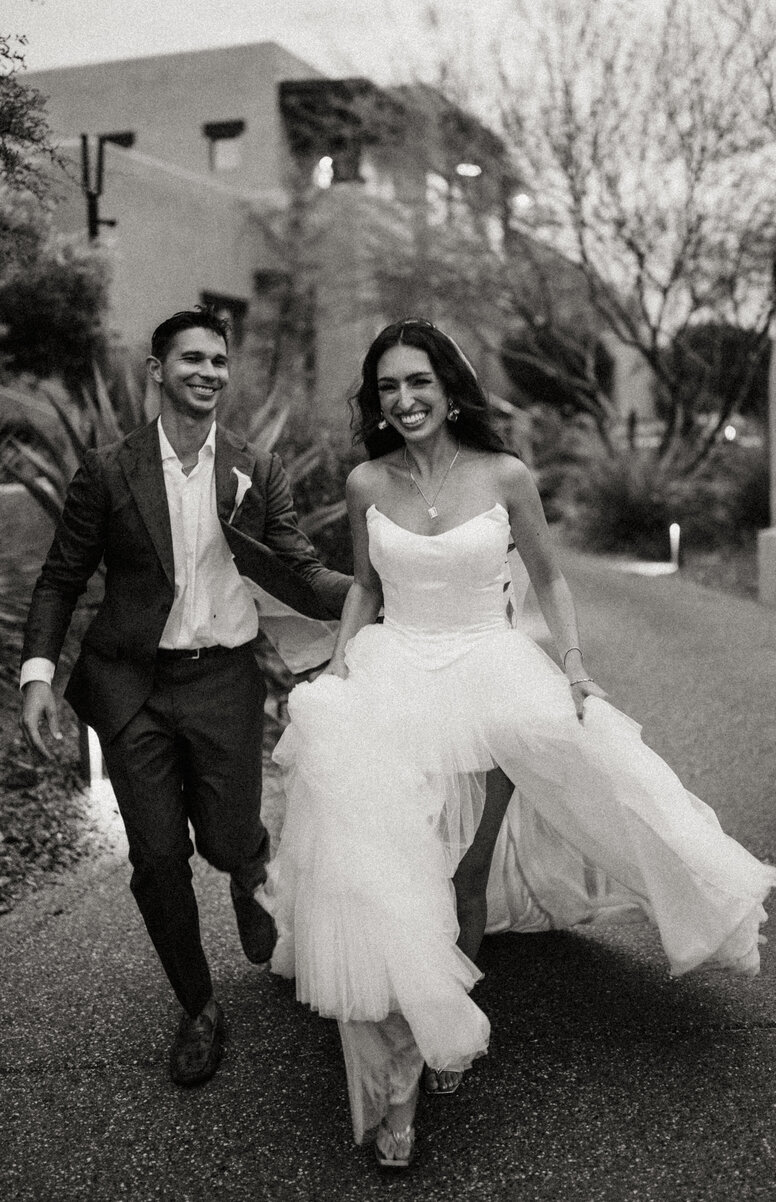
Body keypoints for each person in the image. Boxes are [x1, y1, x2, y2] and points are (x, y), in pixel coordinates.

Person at [263, 318, 776, 1169]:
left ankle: (446, 1041)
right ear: (376, 400)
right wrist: (343, 668)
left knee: (463, 872)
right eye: (389, 387)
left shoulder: (505, 474)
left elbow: (550, 576)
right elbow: (364, 586)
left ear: (448, 385)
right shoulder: (364, 483)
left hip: (489, 676)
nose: (405, 400)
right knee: (395, 867)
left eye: (419, 381)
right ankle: (400, 1085)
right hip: (396, 674)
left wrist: (573, 667)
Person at [19, 307, 349, 1088]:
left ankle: (246, 871)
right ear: (158, 370)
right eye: (192, 359)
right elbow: (64, 577)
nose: (209, 372)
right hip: (133, 685)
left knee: (231, 839)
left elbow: (298, 565)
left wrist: (372, 588)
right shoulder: (108, 469)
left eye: (219, 361)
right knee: (159, 857)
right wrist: (37, 672)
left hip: (224, 681)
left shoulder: (253, 469)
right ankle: (198, 1007)